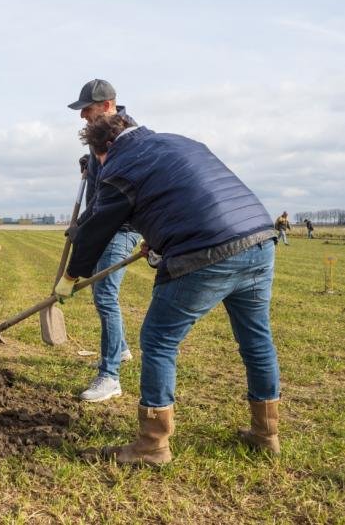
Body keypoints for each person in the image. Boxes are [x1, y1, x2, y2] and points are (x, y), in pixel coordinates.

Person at [56, 114, 280, 465]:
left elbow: (98, 227)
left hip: (207, 251)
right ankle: (266, 435)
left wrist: (71, 277)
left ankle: (151, 445)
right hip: (259, 239)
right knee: (256, 340)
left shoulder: (120, 163)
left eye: (98, 158)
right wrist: (158, 241)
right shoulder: (180, 141)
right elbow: (185, 197)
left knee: (159, 340)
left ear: (106, 148)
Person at [68, 79, 141, 402]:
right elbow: (99, 188)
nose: (83, 115)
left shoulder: (127, 136)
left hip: (121, 227)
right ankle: (121, 348)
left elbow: (116, 197)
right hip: (103, 222)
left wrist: (86, 228)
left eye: (88, 108)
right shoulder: (100, 135)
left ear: (108, 104)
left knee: (106, 296)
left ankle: (110, 376)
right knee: (102, 293)